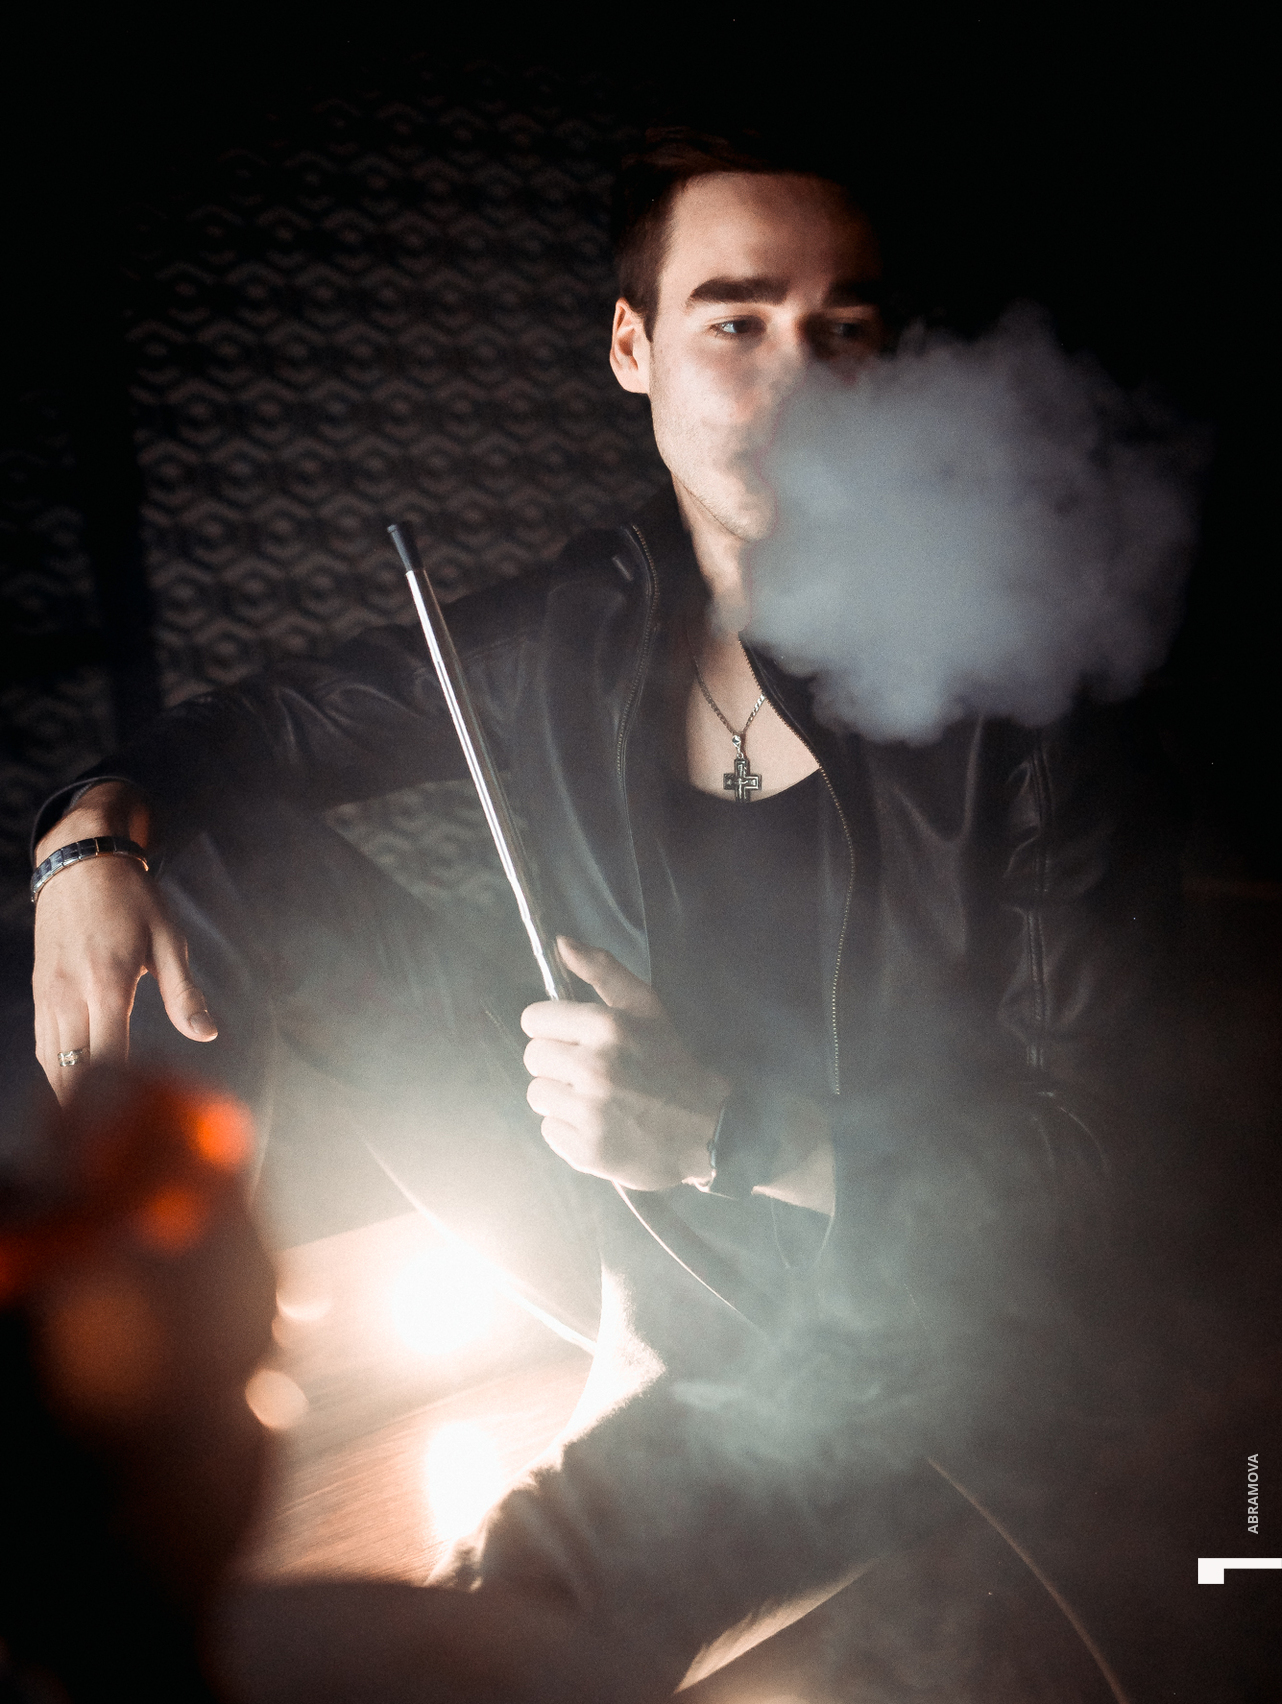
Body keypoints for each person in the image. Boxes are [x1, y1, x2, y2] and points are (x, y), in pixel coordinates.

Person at [27, 127, 1180, 1698]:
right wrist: (83, 835)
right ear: (632, 348)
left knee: (547, 1573)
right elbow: (260, 732)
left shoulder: (1021, 671)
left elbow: (1090, 1166)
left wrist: (729, 1135)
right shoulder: (582, 613)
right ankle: (161, 1394)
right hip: (602, 1196)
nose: (799, 380)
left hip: (887, 1288)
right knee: (193, 849)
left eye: (844, 331)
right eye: (736, 320)